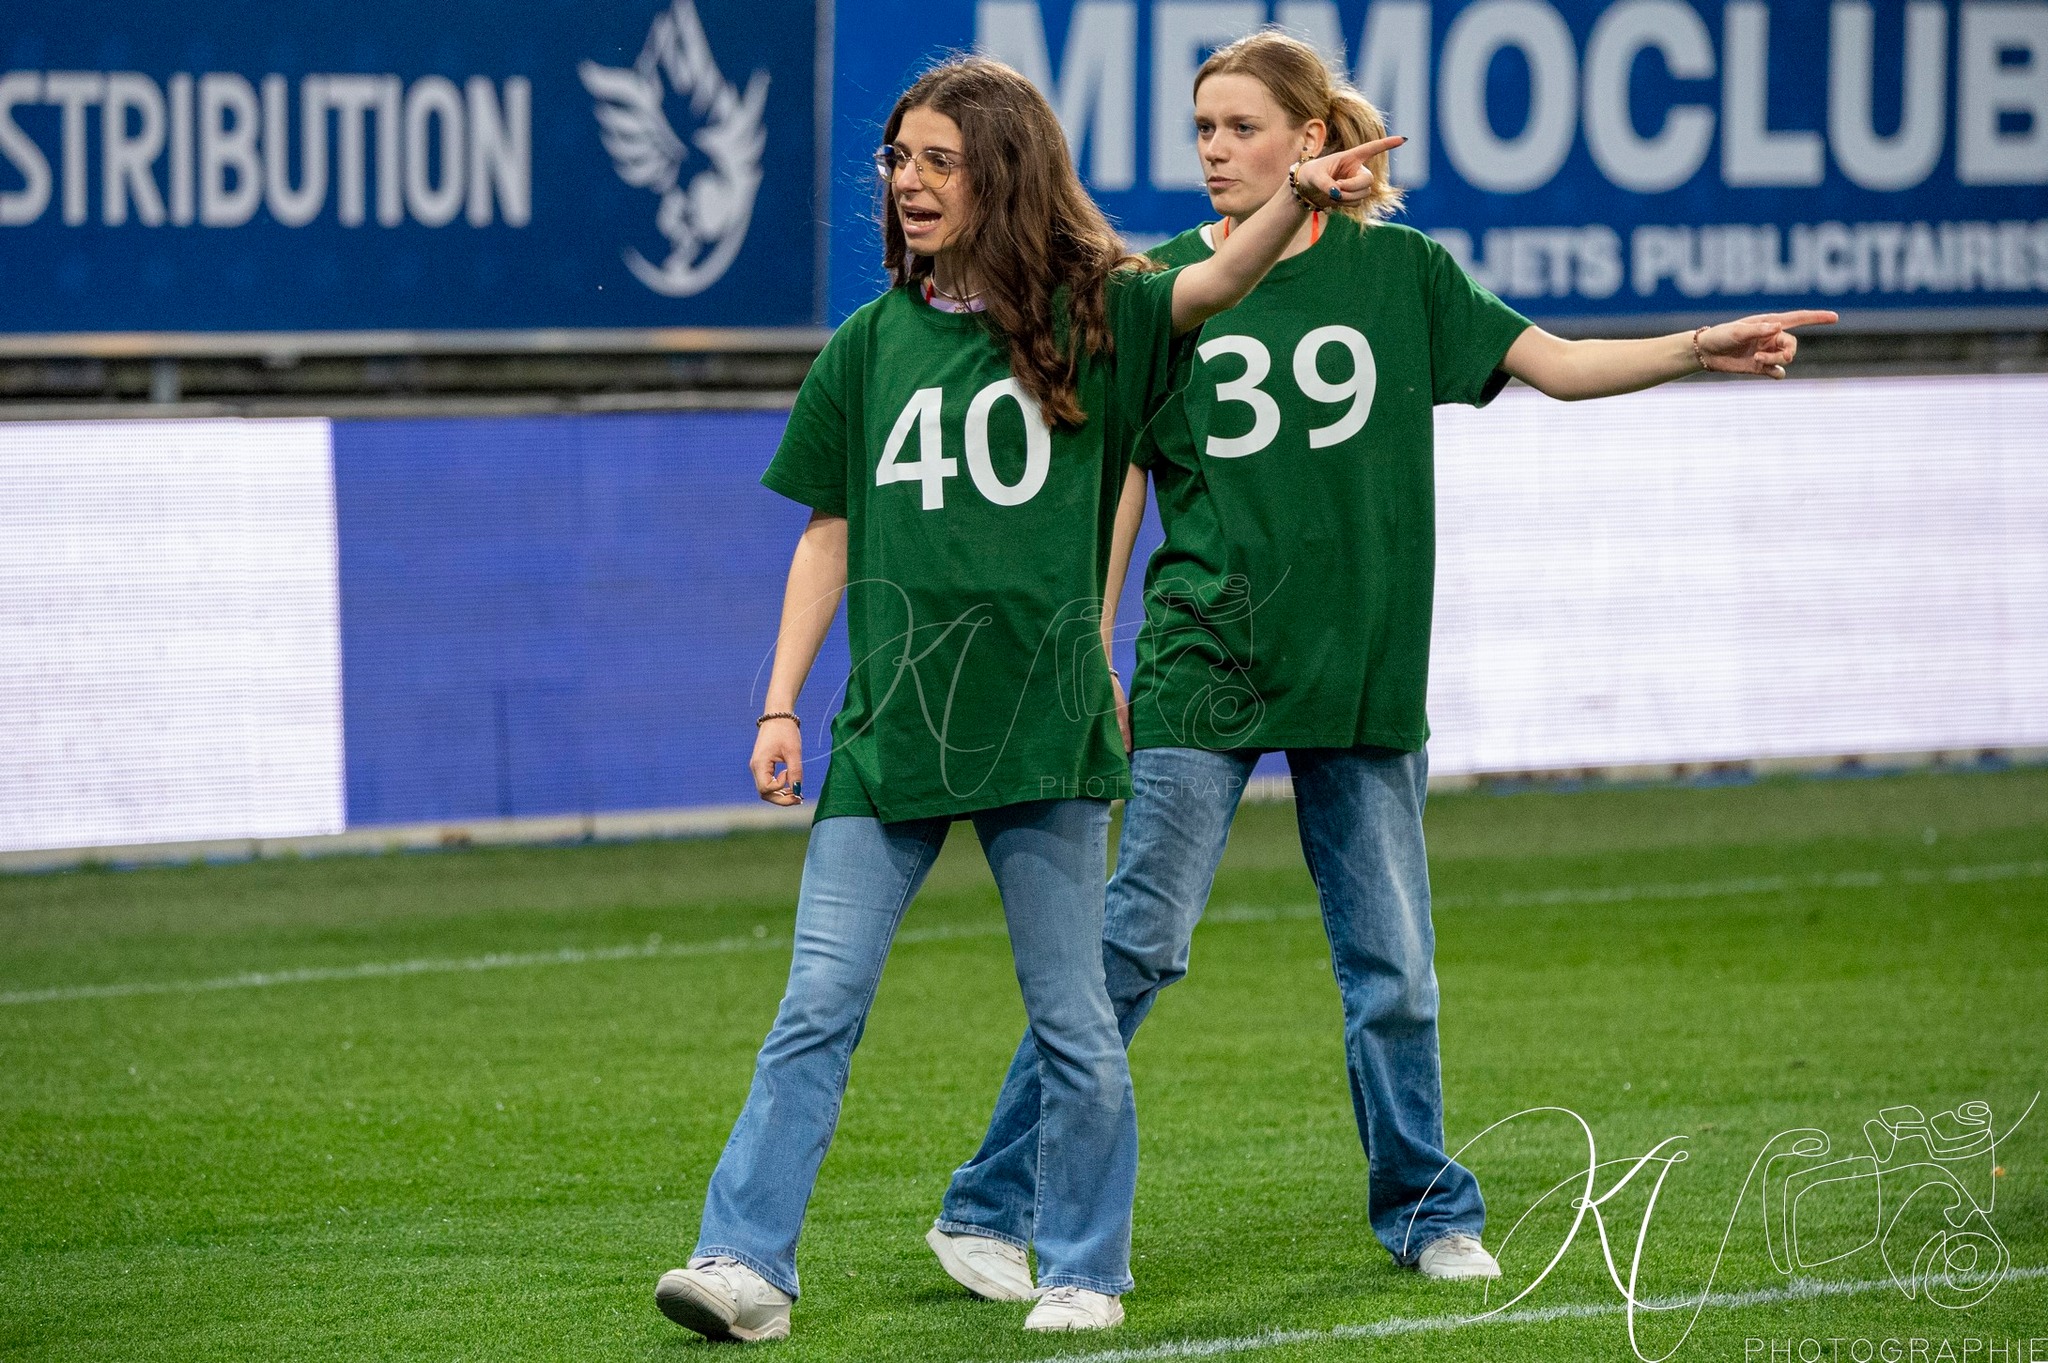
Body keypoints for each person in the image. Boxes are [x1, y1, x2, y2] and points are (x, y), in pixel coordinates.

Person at [930, 29, 1835, 1296]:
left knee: (1391, 969)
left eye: (1238, 128)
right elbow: (1124, 475)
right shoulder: (1165, 287)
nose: (1212, 152)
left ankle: (1421, 1208)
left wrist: (1697, 347)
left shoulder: (1399, 270)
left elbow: (1555, 368)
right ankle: (985, 1203)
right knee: (1137, 940)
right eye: (1199, 130)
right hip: (1210, 654)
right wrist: (1091, 632)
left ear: (1309, 141)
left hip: (1359, 660)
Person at [652, 55, 1398, 1343]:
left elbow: (1214, 282)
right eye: (898, 162)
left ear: (1000, 173)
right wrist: (778, 703)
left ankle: (1082, 1268)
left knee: (1074, 1022)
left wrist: (1296, 201)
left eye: (940, 161)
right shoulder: (865, 347)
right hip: (885, 737)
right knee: (815, 1008)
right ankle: (743, 1265)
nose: (910, 184)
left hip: (1044, 731)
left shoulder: (1098, 320)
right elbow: (826, 534)